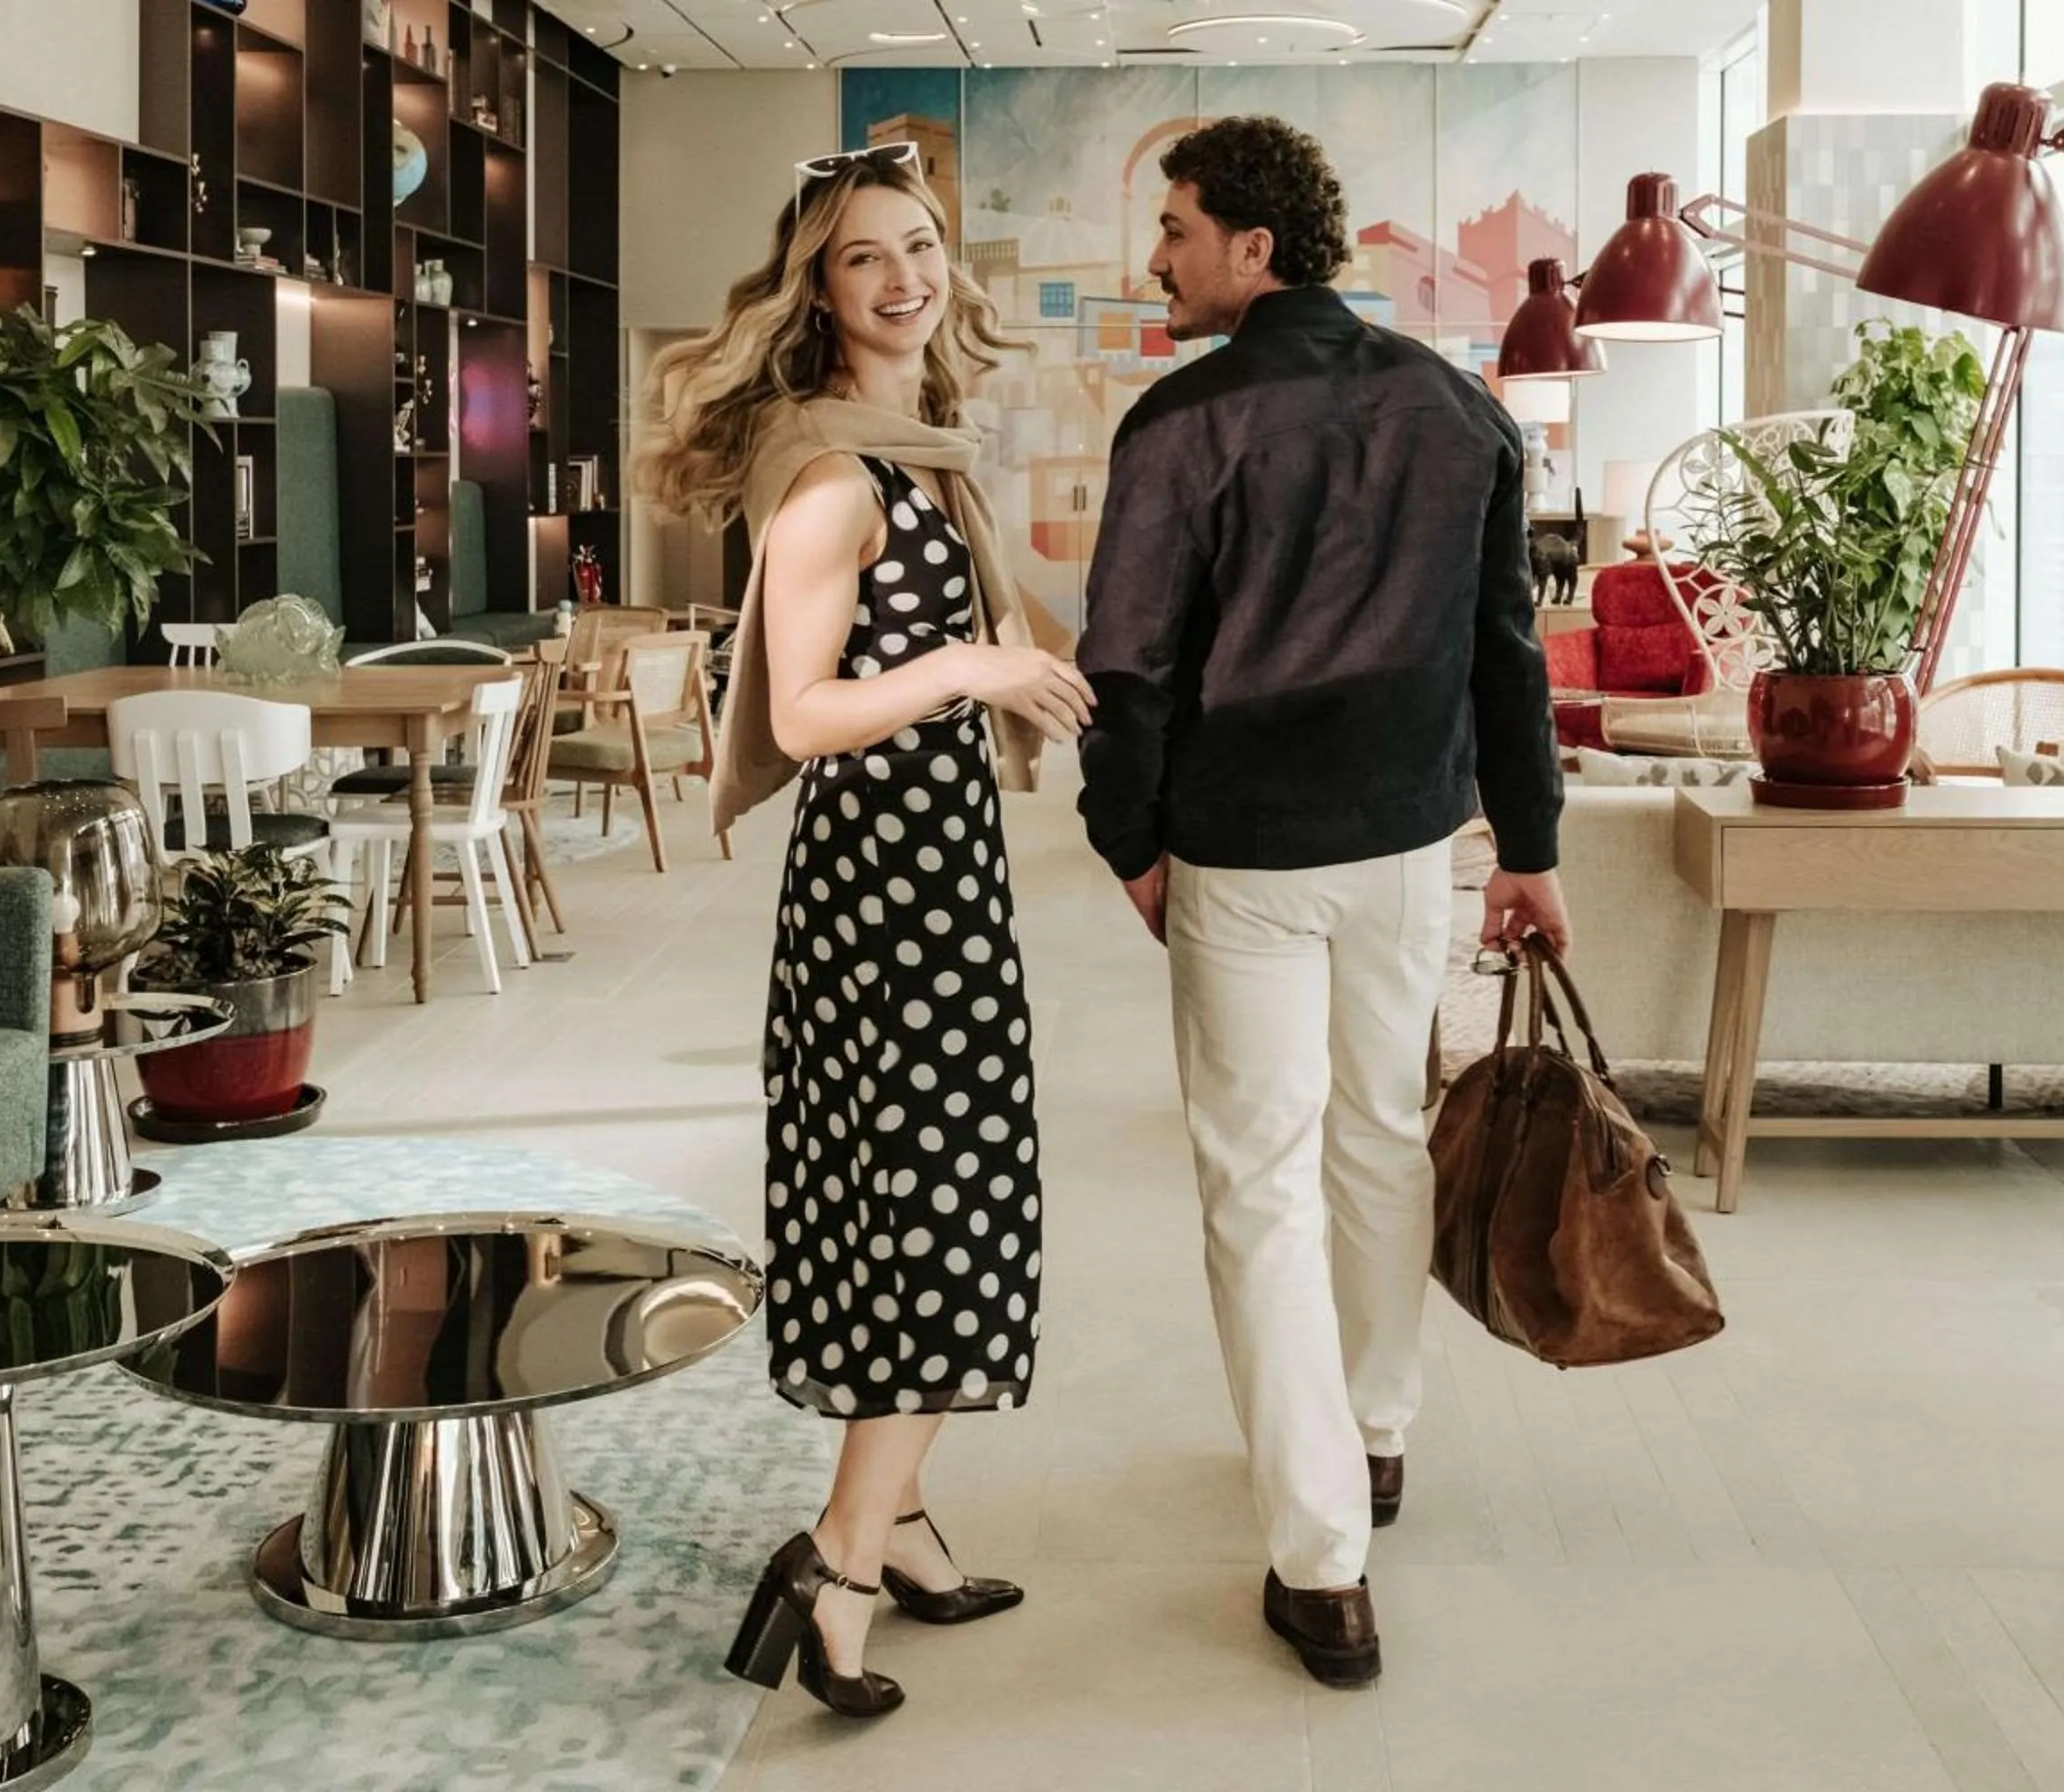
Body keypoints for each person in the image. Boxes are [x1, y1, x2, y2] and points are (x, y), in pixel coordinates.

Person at [1075, 116, 1570, 1688]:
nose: (1157, 257)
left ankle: (1322, 1558)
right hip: (1409, 849)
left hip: (1246, 855)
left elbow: (1131, 667)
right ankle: (1378, 1432)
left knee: (1259, 1186)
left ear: (1253, 250)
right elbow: (1509, 655)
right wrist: (1532, 849)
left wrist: (1128, 838)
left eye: (1175, 229)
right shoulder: (1461, 413)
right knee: (1374, 1137)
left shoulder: (1180, 423)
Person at [637, 142, 1094, 1721]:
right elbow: (802, 706)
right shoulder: (838, 472)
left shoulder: (913, 451)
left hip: (926, 877)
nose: (906, 277)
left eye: (921, 247)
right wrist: (972, 670)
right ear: (814, 293)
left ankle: (894, 1524)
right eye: (862, 259)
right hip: (889, 897)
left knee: (935, 1200)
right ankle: (832, 1561)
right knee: (938, 1216)